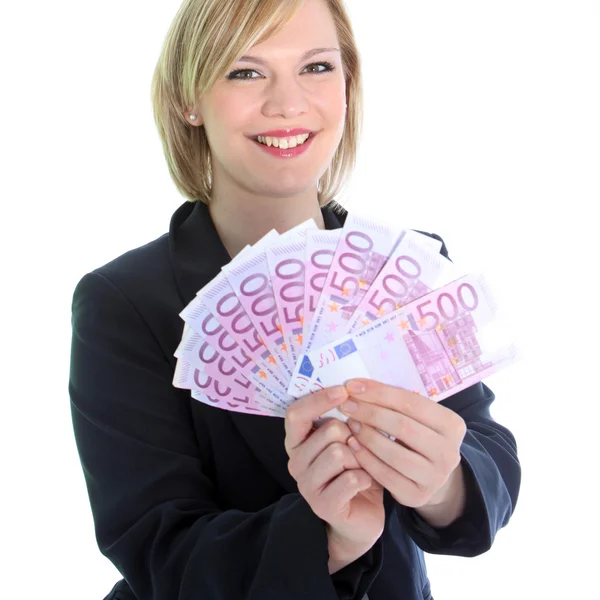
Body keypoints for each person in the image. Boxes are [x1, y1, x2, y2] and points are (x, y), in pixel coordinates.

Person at [68, 0, 521, 598]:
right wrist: (329, 538)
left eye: (316, 67)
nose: (288, 104)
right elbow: (158, 547)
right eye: (246, 71)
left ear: (346, 86)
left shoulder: (400, 267)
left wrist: (442, 485)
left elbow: (486, 447)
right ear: (189, 99)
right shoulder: (122, 303)